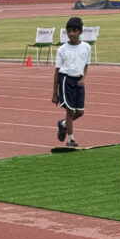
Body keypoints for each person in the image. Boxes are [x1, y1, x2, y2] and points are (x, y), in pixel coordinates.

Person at [52, 16, 90, 148]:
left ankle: (63, 124)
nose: (71, 34)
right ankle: (71, 139)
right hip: (65, 80)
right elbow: (56, 71)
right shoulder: (62, 49)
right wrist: (55, 93)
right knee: (70, 111)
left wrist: (83, 79)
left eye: (74, 31)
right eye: (69, 31)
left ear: (80, 32)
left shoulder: (86, 47)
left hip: (78, 82)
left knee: (80, 112)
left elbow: (86, 65)